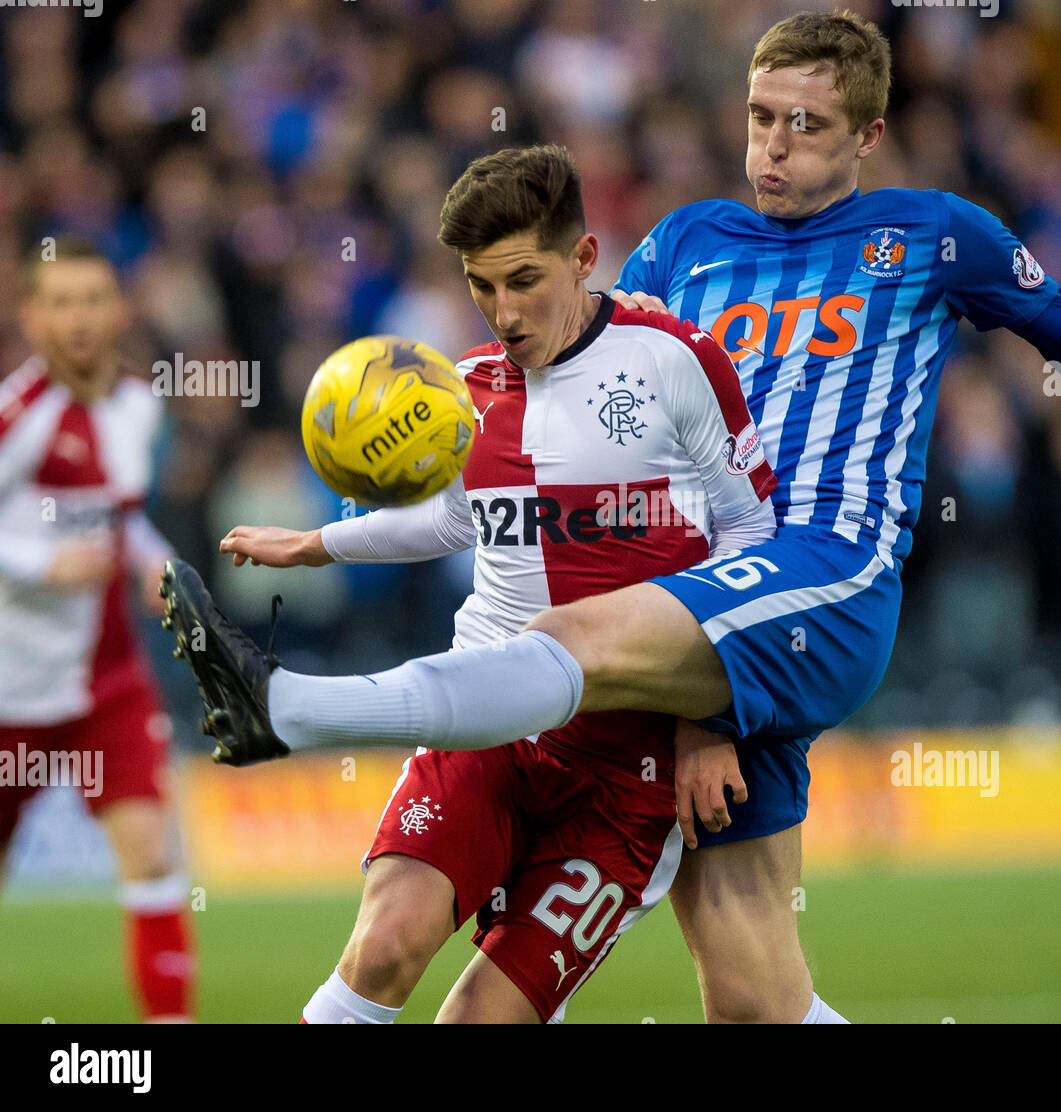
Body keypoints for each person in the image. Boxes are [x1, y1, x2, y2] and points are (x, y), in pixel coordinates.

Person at [168, 11, 1061, 1024]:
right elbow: (608, 410)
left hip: (828, 570)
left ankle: (295, 710)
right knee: (752, 996)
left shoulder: (934, 236)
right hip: (699, 603)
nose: (772, 147)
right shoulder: (685, 244)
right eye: (761, 117)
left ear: (865, 134)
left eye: (805, 125)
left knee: (564, 639)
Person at [165, 143, 778, 1022]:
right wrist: (319, 544)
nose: (503, 311)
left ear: (582, 256)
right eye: (480, 286)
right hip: (484, 724)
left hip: (626, 767)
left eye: (524, 279)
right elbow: (458, 518)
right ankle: (287, 705)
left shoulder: (676, 360)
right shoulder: (465, 388)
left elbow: (750, 538)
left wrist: (708, 720)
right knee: (381, 950)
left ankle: (289, 706)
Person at [0, 240, 196, 1023]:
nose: (78, 319)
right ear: (32, 316)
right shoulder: (20, 415)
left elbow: (123, 524)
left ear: (118, 312)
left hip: (107, 678)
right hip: (11, 688)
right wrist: (43, 564)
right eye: (61, 301)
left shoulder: (136, 407)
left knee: (152, 853)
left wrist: (162, 566)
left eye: (92, 300)